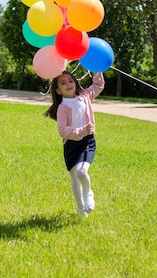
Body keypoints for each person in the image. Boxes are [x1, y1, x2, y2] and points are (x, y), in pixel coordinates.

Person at [44, 70, 105, 217]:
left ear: (76, 82)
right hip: (71, 146)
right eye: (63, 83)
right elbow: (62, 130)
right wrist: (80, 131)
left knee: (81, 172)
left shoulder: (85, 96)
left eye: (70, 80)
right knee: (74, 177)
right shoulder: (62, 108)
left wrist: (97, 69)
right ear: (58, 90)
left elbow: (98, 85)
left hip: (88, 142)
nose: (68, 84)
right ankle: (80, 209)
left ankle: (88, 193)